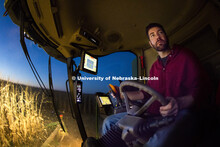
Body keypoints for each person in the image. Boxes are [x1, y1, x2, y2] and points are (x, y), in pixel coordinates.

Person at [102, 23, 210, 147]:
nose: (157, 37)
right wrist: (124, 95)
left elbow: (201, 89)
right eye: (152, 35)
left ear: (165, 35)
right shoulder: (154, 67)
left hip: (181, 113)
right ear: (150, 43)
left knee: (156, 143)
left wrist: (179, 103)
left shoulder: (185, 56)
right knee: (108, 122)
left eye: (160, 32)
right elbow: (147, 93)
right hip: (154, 115)